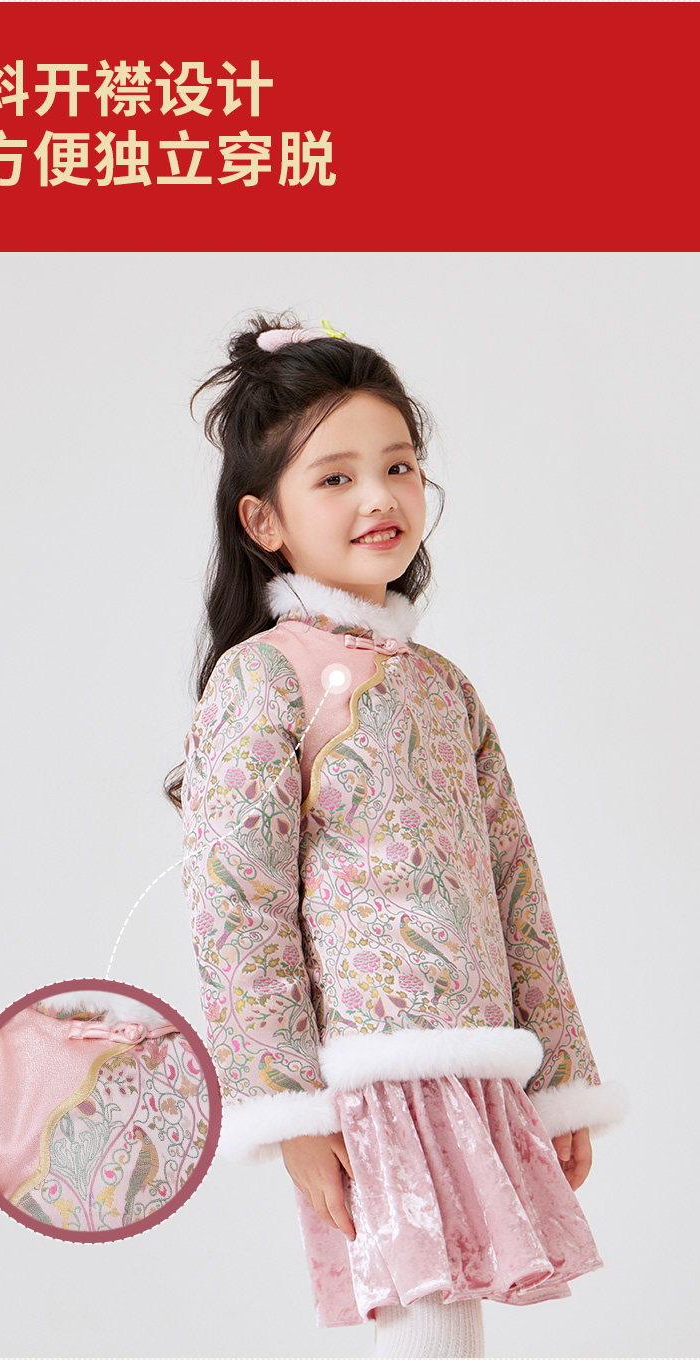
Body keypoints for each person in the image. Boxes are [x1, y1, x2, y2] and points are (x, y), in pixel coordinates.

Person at [166, 313, 629, 1358]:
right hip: (369, 1073)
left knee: (451, 1327)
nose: (378, 496)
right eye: (335, 477)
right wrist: (290, 1110)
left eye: (398, 466)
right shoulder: (265, 677)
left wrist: (559, 1079)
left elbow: (515, 888)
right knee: (427, 1327)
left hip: (474, 1064)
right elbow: (236, 907)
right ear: (263, 519)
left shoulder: (443, 687)